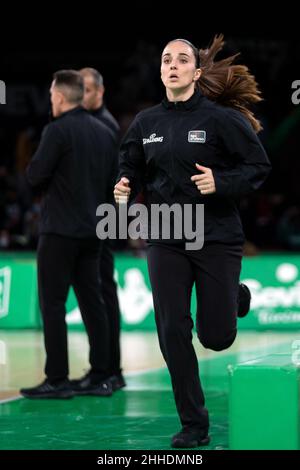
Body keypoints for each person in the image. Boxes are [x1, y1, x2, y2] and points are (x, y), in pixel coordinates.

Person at [114, 35, 271, 447]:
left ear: (196, 73)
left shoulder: (221, 119)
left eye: (182, 59)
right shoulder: (146, 123)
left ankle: (232, 296)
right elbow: (129, 162)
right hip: (166, 233)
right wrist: (124, 183)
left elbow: (258, 166)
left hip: (217, 234)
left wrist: (221, 182)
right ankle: (194, 423)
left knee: (216, 336)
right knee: (171, 327)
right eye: (166, 59)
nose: (172, 65)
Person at [20, 70, 117, 398]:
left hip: (59, 231)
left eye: (51, 95)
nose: (51, 100)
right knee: (94, 302)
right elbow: (112, 185)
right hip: (94, 232)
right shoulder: (105, 133)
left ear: (60, 97)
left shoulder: (57, 131)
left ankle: (57, 378)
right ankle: (102, 375)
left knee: (53, 304)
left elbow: (35, 175)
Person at [78, 67, 125, 391]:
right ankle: (102, 368)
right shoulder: (90, 125)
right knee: (98, 293)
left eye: (86, 91)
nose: (81, 97)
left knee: (103, 294)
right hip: (95, 220)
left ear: (100, 92)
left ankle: (110, 371)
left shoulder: (105, 126)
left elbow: (114, 181)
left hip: (103, 222)